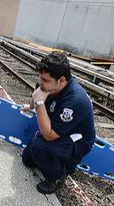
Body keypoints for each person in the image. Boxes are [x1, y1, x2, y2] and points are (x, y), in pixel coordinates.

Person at [21, 53, 96, 194]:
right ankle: (54, 159)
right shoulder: (50, 85)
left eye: (45, 80)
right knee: (27, 159)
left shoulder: (75, 100)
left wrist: (39, 102)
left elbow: (49, 135)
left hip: (77, 140)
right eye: (39, 77)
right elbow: (35, 98)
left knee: (39, 148)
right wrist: (32, 104)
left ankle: (58, 176)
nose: (40, 82)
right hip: (60, 131)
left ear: (61, 81)